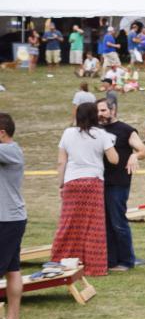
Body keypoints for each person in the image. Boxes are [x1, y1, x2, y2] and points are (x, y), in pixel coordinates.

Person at [53, 102, 120, 276]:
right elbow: (114, 159)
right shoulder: (101, 134)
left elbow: (62, 161)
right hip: (93, 182)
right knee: (93, 226)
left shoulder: (68, 133)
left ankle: (61, 261)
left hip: (72, 182)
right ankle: (95, 266)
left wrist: (61, 183)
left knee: (69, 224)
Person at [98, 98, 145, 272]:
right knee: (106, 223)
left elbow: (143, 150)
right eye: (98, 111)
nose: (100, 114)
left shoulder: (126, 130)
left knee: (118, 222)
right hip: (100, 182)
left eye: (103, 110)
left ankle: (127, 261)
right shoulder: (96, 130)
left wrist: (135, 156)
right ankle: (111, 261)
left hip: (118, 183)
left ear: (113, 110)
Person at [0, 113, 25, 319]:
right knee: (12, 270)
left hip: (7, 220)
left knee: (10, 270)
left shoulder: (9, 151)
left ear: (2, 132)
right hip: (10, 219)